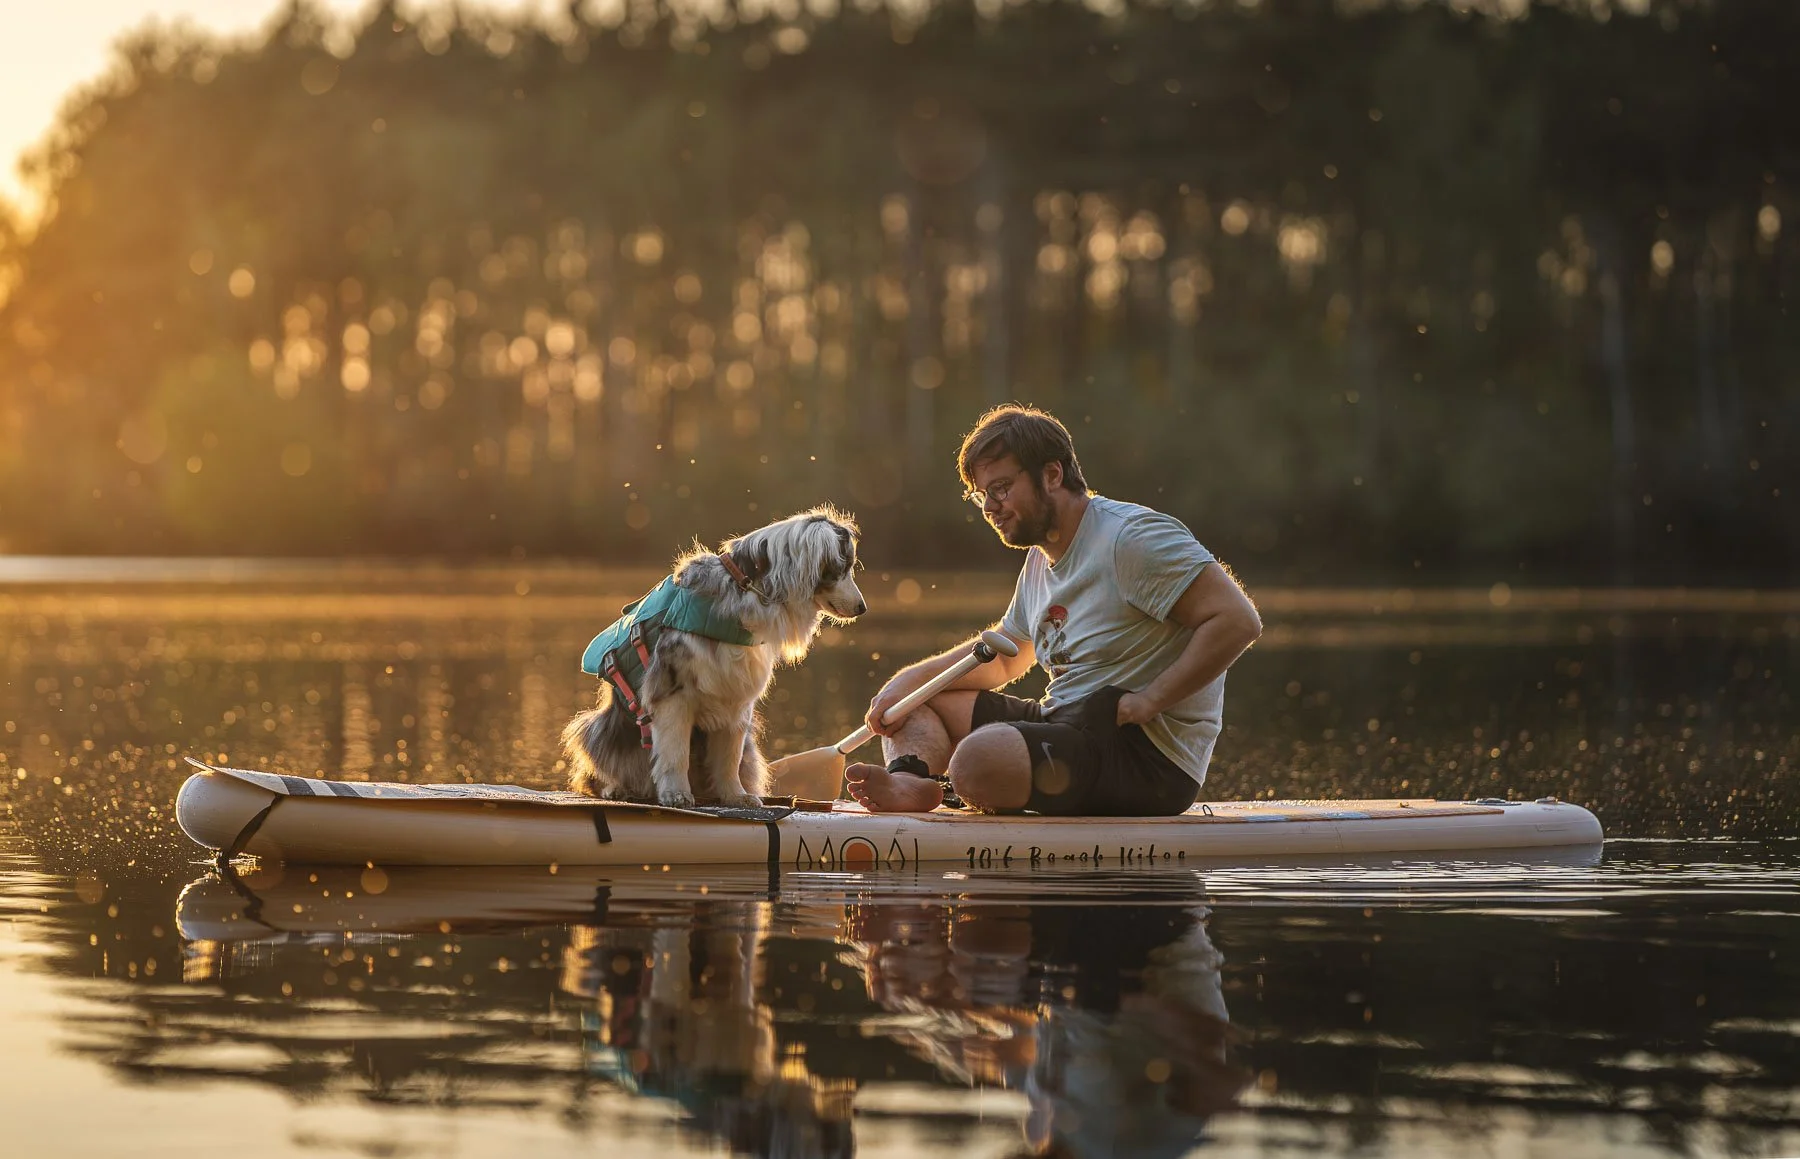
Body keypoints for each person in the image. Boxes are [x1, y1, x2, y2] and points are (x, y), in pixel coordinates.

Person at [845, 404, 1262, 815]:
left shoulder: (1131, 538)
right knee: (916, 704)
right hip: (1066, 724)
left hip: (1144, 754)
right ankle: (913, 785)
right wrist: (908, 682)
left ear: (1052, 474)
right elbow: (1006, 658)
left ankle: (968, 783)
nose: (990, 507)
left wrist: (1153, 699)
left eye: (1002, 488)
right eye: (981, 495)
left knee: (976, 759)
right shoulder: (1039, 559)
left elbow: (1237, 620)